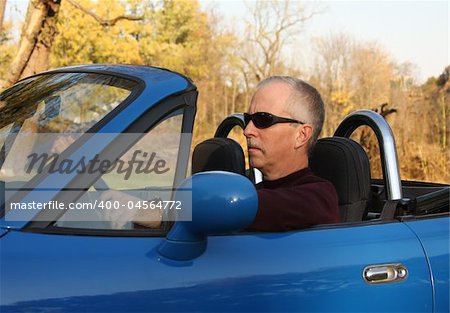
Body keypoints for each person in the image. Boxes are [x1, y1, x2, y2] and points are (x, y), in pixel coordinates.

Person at [243, 76, 339, 231]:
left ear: (301, 135)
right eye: (247, 119)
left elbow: (266, 207)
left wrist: (202, 203)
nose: (247, 131)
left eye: (263, 119)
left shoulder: (318, 199)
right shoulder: (252, 192)